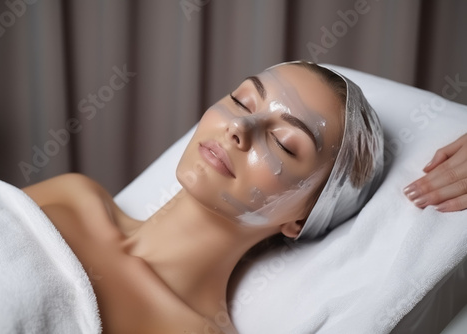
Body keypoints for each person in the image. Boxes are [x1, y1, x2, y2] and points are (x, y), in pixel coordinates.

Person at [20, 60, 395, 333]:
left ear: (301, 217)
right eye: (243, 101)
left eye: (283, 142)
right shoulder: (71, 195)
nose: (240, 126)